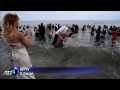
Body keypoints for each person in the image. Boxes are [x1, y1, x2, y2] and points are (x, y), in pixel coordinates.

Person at [2, 13, 36, 79]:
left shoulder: (6, 34)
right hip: (22, 56)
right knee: (28, 73)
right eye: (17, 21)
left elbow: (16, 39)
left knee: (20, 74)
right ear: (14, 22)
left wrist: (23, 34)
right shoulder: (19, 34)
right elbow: (28, 45)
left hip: (14, 55)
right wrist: (29, 34)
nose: (18, 22)